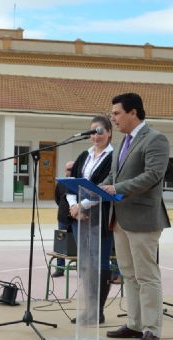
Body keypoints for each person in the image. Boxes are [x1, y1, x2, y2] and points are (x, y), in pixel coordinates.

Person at [100, 92, 170, 340]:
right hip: (119, 218)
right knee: (128, 275)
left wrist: (117, 187)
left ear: (133, 112)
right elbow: (112, 175)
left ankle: (152, 329)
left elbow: (152, 175)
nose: (113, 119)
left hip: (143, 218)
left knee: (146, 275)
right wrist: (95, 189)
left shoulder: (156, 139)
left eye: (116, 113)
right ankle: (135, 324)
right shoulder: (123, 142)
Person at [66, 116, 114, 324]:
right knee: (85, 264)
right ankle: (88, 308)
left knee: (99, 263)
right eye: (92, 132)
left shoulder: (113, 158)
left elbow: (103, 187)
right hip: (80, 219)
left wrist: (82, 205)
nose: (95, 136)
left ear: (110, 132)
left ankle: (97, 311)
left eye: (100, 131)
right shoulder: (84, 155)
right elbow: (70, 184)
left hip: (101, 218)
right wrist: (73, 207)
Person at [51, 161, 75, 278]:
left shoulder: (79, 183)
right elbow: (57, 199)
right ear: (65, 170)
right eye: (68, 169)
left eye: (72, 169)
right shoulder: (60, 183)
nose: (69, 171)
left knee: (78, 243)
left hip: (76, 219)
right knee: (61, 244)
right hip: (62, 218)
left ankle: (81, 268)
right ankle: (60, 268)